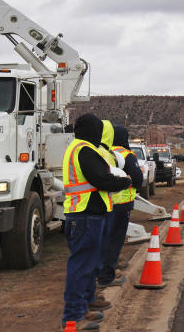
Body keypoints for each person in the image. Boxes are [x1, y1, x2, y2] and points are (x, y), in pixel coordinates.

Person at [61, 114, 132, 331]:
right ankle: (73, 318)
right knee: (81, 268)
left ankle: (84, 307)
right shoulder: (84, 150)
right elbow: (101, 179)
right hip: (84, 217)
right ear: (93, 130)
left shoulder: (78, 148)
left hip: (87, 216)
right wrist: (124, 181)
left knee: (89, 266)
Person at [98, 125, 143, 289]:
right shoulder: (127, 155)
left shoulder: (103, 153)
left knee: (104, 239)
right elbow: (138, 180)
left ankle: (104, 269)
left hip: (105, 203)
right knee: (114, 241)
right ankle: (107, 275)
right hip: (122, 204)